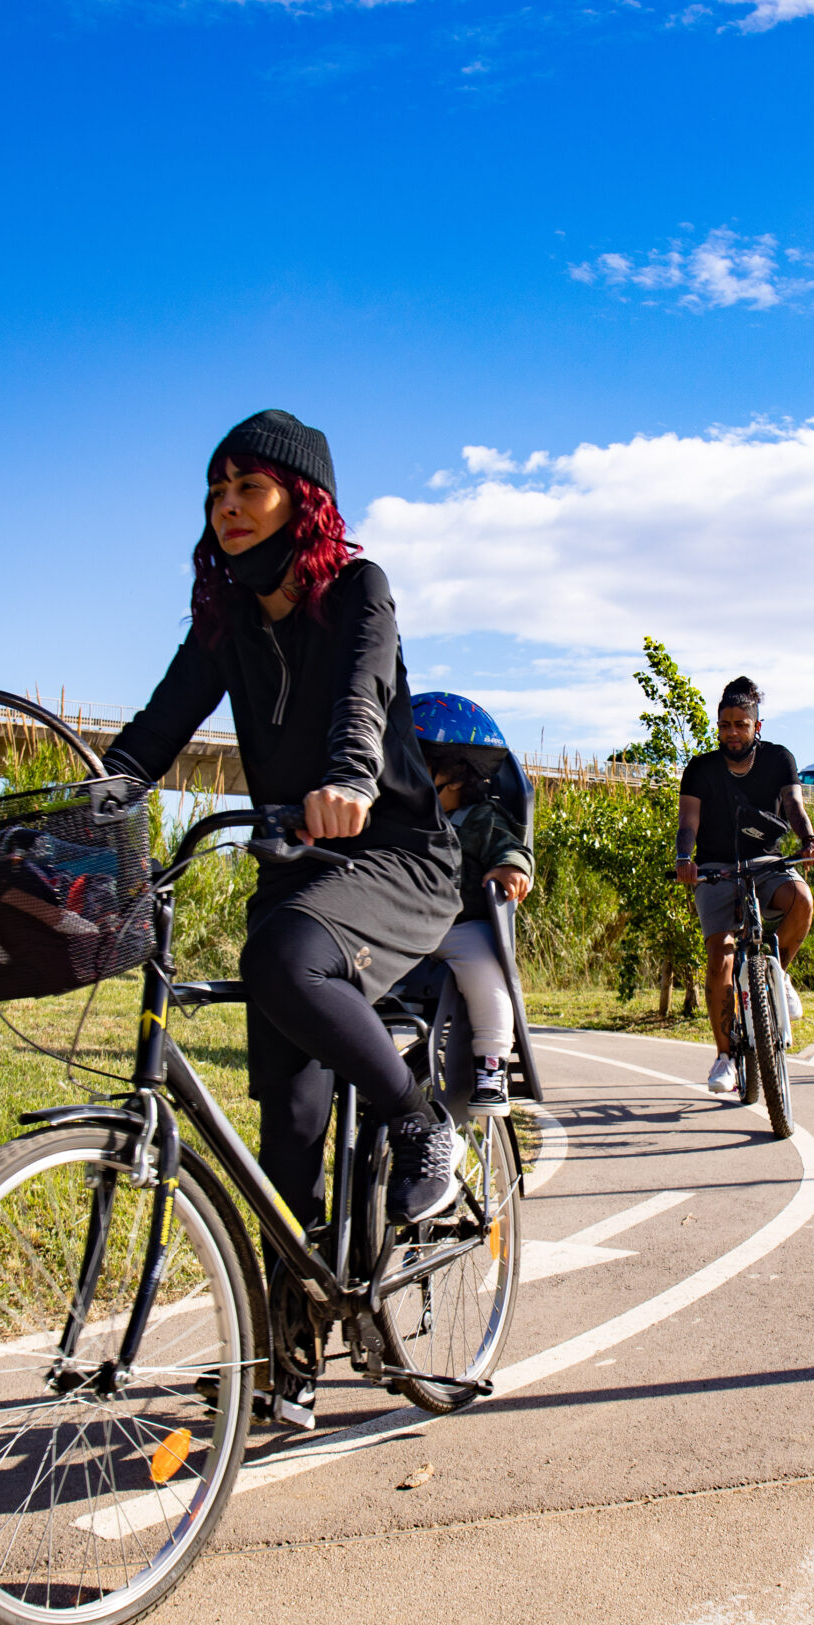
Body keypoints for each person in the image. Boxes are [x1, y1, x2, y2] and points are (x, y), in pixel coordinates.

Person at [104, 411, 465, 1259]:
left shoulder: (358, 589)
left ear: (302, 502)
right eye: (215, 491)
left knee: (278, 958)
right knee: (286, 1148)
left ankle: (418, 1121)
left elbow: (360, 699)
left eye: (249, 487)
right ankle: (281, 1381)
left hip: (395, 858)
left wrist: (349, 778)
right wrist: (89, 802)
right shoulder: (226, 625)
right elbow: (152, 735)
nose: (226, 506)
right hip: (298, 871)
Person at [673, 676, 814, 1095]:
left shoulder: (779, 759)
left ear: (758, 726)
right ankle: (723, 1057)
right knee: (719, 957)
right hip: (716, 868)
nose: (732, 732)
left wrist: (808, 839)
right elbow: (689, 822)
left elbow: (793, 804)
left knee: (801, 899)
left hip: (767, 861)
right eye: (725, 725)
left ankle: (778, 976)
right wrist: (686, 859)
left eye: (741, 724)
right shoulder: (700, 769)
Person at [411, 692, 533, 1110]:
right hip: (403, 927)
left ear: (457, 776)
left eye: (420, 770)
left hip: (461, 928)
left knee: (485, 971)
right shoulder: (401, 820)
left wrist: (512, 868)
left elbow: (511, 848)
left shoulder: (480, 819)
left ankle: (491, 1064)